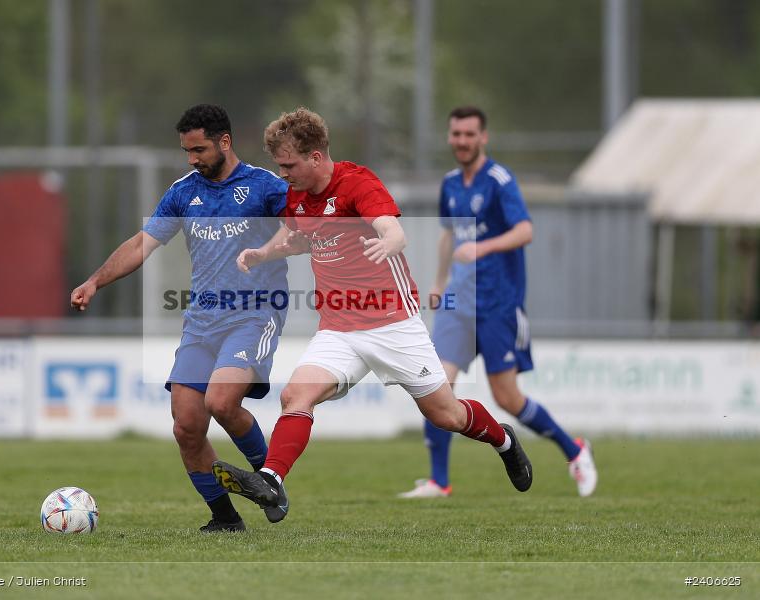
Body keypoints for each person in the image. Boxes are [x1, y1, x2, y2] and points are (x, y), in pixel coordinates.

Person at [211, 107, 533, 523]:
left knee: (445, 414)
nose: (283, 173)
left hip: (391, 323)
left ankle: (504, 441)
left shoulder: (356, 182)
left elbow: (391, 227)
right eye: (279, 165)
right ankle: (272, 481)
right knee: (296, 394)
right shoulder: (297, 194)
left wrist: (390, 241)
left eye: (288, 164)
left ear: (315, 157)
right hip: (339, 328)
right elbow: (297, 236)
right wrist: (263, 252)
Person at [70, 104, 291, 532]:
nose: (192, 158)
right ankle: (225, 519)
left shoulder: (266, 187)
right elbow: (140, 244)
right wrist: (95, 281)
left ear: (225, 142)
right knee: (187, 426)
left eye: (200, 149)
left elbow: (297, 230)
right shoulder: (183, 191)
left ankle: (271, 479)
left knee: (222, 401)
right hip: (201, 322)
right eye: (187, 151)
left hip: (253, 314)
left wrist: (273, 248)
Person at [398, 106, 597, 499]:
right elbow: (447, 236)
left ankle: (575, 451)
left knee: (508, 399)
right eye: (456, 134)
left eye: (469, 134)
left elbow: (525, 230)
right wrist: (438, 283)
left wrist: (482, 247)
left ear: (483, 137)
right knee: (435, 386)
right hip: (458, 304)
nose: (462, 141)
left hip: (499, 306)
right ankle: (440, 481)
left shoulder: (500, 180)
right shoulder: (451, 183)